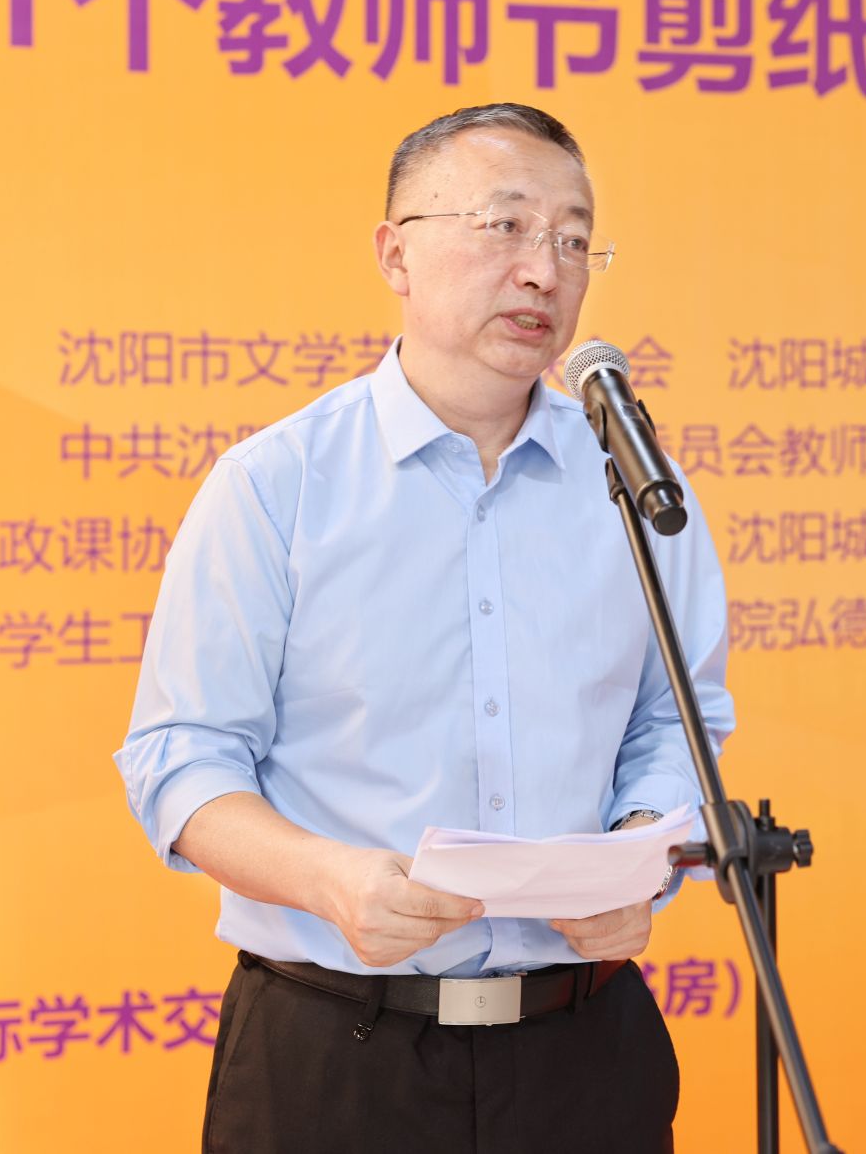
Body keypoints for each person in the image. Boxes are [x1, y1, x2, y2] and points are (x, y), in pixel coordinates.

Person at [113, 103, 736, 1153]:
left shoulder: (632, 487)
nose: (543, 271)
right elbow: (180, 759)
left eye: (574, 241)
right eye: (506, 226)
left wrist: (642, 854)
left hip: (585, 1049)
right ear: (394, 254)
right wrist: (332, 881)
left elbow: (675, 719)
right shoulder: (278, 484)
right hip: (335, 1052)